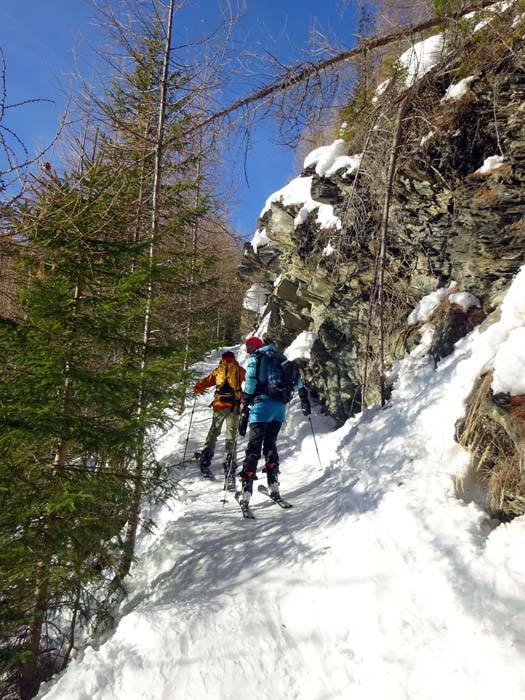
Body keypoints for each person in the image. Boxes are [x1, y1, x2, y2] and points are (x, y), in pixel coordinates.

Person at [238, 336, 311, 505]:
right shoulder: (281, 357)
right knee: (270, 444)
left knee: (254, 447)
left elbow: (250, 382)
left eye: (248, 347)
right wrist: (304, 400)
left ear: (254, 347)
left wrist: (244, 403)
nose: (248, 350)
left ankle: (246, 492)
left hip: (261, 407)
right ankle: (274, 485)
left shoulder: (257, 357)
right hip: (279, 408)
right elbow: (298, 382)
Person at [194, 350, 246, 485]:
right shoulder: (239, 370)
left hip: (219, 405)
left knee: (214, 431)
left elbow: (207, 381)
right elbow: (251, 381)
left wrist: (198, 388)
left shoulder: (218, 370)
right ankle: (229, 463)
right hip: (234, 406)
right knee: (231, 435)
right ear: (233, 358)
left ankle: (206, 457)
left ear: (223, 359)